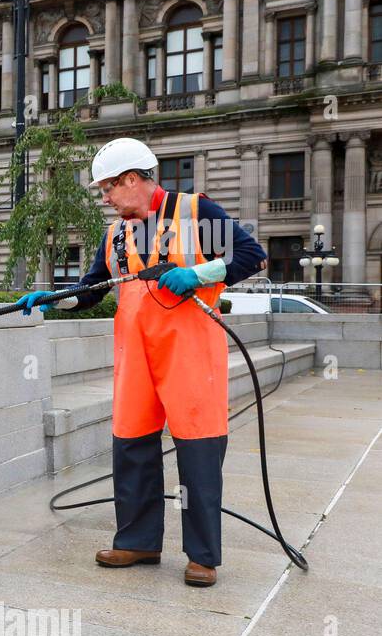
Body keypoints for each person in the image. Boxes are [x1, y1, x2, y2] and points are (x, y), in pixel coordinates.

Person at [16, 138, 268, 588]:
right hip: (135, 355)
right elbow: (93, 289)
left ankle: (203, 555)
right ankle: (138, 541)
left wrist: (199, 272)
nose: (106, 198)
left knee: (198, 450)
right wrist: (53, 300)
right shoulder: (117, 233)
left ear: (132, 179)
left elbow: (251, 256)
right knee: (131, 445)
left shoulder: (196, 212)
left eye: (109, 188)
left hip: (189, 351)